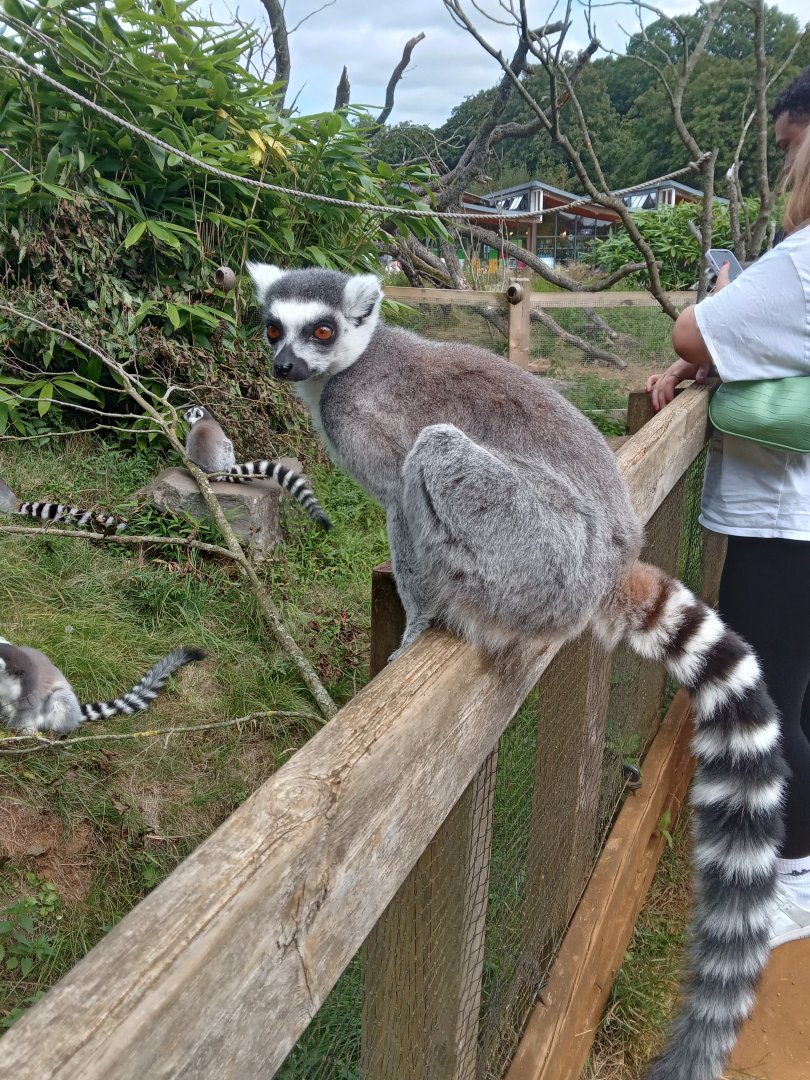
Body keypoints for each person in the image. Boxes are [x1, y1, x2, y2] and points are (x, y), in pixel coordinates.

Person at [646, 122, 810, 949]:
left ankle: (794, 879)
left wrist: (703, 323)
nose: (786, 162)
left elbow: (691, 330)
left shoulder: (804, 260)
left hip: (789, 523)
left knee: (764, 703)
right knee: (794, 690)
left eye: (791, 146)